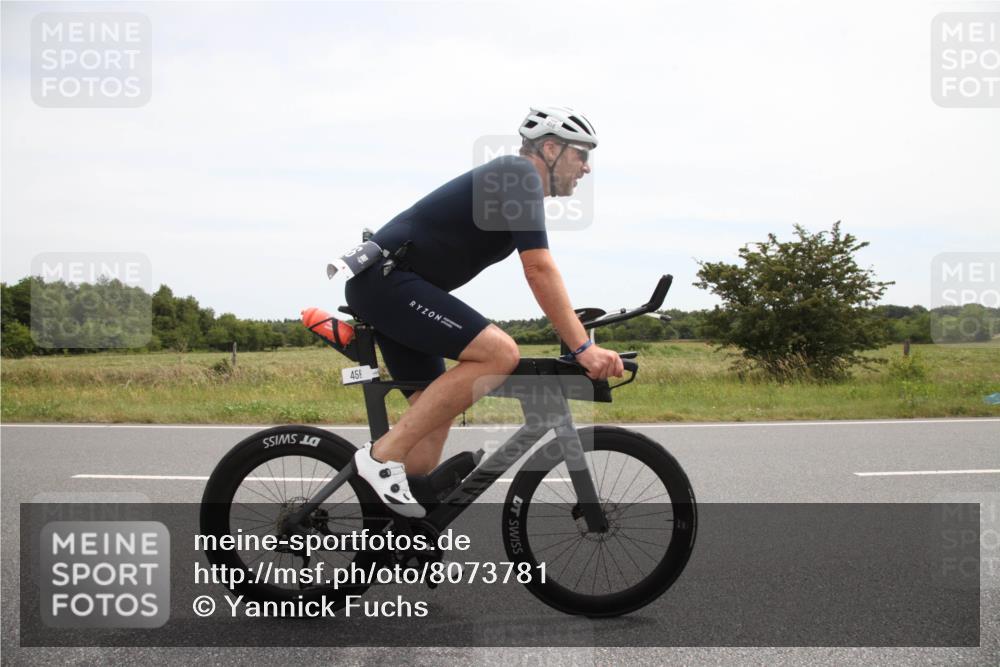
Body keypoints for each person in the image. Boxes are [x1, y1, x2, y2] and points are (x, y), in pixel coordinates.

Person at [346, 106, 624, 517]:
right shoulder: (519, 175)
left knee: (432, 420)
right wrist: (582, 347)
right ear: (550, 147)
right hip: (386, 283)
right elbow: (539, 269)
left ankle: (398, 535)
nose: (585, 168)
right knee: (499, 353)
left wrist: (577, 333)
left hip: (397, 289)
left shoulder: (516, 185)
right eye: (581, 154)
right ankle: (380, 458)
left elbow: (541, 274)